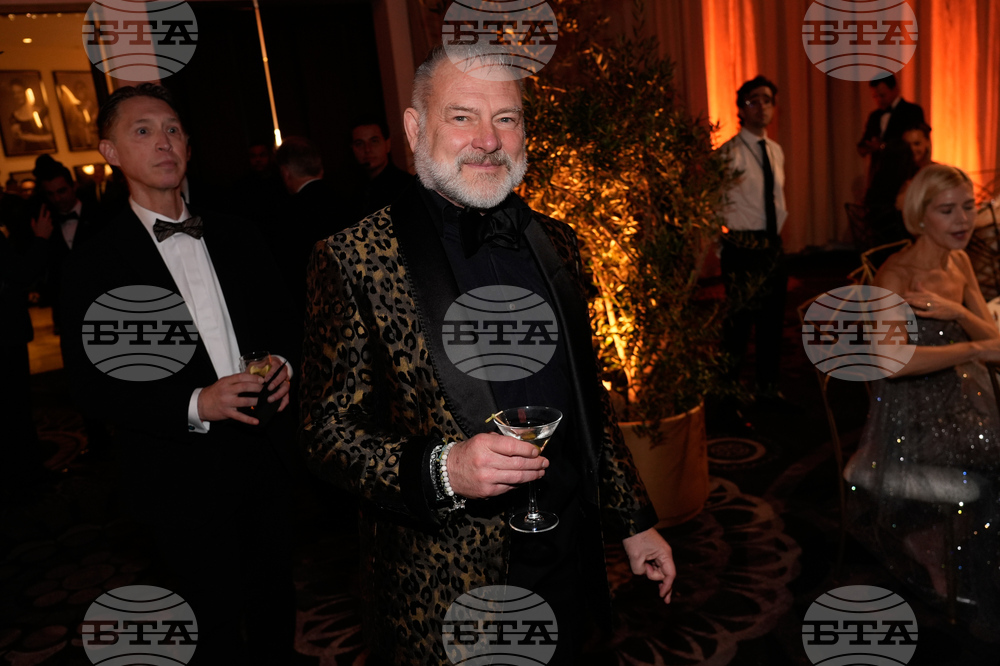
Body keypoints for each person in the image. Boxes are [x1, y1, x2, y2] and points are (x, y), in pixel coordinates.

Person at [301, 46, 675, 664]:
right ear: (416, 128)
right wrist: (443, 470)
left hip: (567, 558)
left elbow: (584, 399)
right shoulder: (353, 259)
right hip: (447, 588)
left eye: (507, 118)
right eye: (461, 117)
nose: (487, 140)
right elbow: (324, 433)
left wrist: (632, 519)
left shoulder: (559, 243)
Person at [59, 83, 300, 664]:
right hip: (175, 472)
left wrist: (286, 365)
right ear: (110, 151)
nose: (163, 142)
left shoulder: (240, 233)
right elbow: (91, 386)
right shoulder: (96, 261)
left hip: (266, 454)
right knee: (209, 624)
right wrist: (197, 403)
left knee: (277, 611)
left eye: (172, 129)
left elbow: (286, 324)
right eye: (142, 130)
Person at [844, 164, 1000, 634]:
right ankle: (940, 553)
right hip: (911, 413)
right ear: (920, 217)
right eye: (947, 210)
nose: (963, 220)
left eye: (969, 207)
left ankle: (955, 546)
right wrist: (973, 347)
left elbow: (992, 335)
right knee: (992, 468)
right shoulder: (897, 277)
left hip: (958, 393)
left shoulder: (959, 262)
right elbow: (893, 363)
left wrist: (956, 312)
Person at [717, 75, 789, 408]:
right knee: (739, 322)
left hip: (772, 243)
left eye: (767, 100)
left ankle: (767, 386)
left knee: (773, 319)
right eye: (754, 101)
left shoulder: (774, 150)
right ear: (741, 110)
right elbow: (714, 202)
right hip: (742, 246)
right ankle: (728, 390)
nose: (762, 107)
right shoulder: (729, 154)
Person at [31, 155, 103, 333]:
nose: (57, 199)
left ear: (74, 186)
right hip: (67, 315)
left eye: (62, 191)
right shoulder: (44, 223)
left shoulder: (101, 216)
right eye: (50, 194)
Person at [857, 74, 925, 181]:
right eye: (875, 96)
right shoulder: (874, 116)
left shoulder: (912, 111)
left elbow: (911, 144)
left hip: (903, 174)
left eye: (882, 95)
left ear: (895, 90)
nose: (879, 100)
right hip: (878, 176)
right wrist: (866, 147)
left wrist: (882, 146)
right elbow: (864, 141)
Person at [350, 117, 414, 218]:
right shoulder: (353, 192)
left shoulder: (406, 186)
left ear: (387, 144)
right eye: (359, 144)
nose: (367, 149)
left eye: (374, 141)